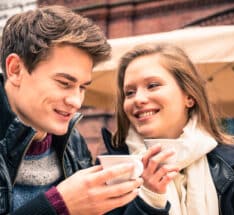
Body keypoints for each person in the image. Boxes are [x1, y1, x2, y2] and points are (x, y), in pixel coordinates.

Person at [0, 5, 172, 215]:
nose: (76, 101)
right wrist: (59, 206)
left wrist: (150, 198)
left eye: (82, 87)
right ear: (16, 70)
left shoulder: (73, 142)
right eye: (64, 83)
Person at [101, 43, 234, 215]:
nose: (138, 99)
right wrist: (150, 199)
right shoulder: (111, 169)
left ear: (189, 96)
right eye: (129, 92)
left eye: (152, 85)